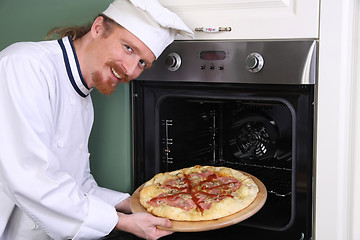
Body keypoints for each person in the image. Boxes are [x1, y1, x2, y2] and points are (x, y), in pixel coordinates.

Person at [0, 0, 193, 239]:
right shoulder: (25, 66)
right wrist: (122, 222)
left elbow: (77, 184)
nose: (130, 70)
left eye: (143, 63)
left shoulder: (84, 99)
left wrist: (137, 203)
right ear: (98, 28)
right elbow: (30, 179)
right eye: (128, 48)